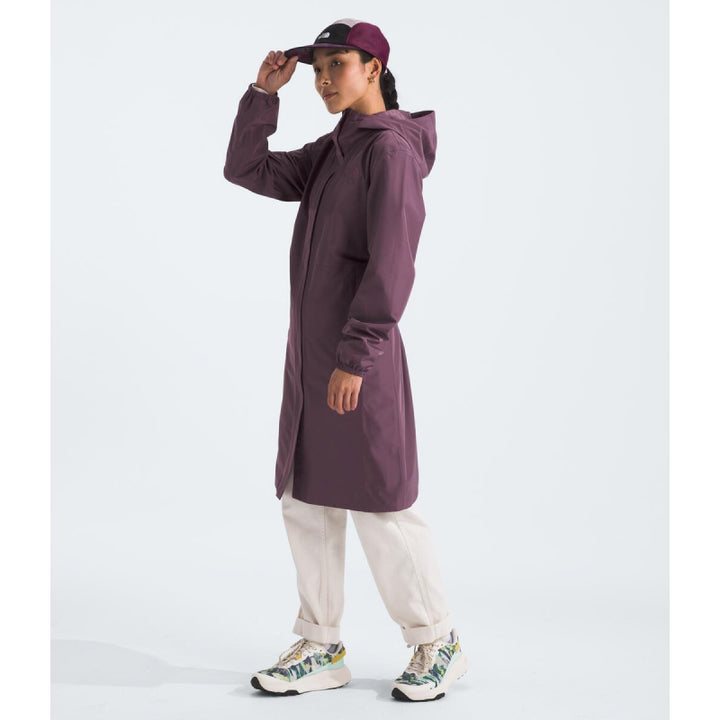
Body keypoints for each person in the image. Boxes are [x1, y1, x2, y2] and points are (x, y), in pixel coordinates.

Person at [223, 18, 469, 702]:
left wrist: (355, 356)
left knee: (381, 505)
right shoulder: (336, 148)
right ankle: (321, 645)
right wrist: (262, 96)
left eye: (338, 64)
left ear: (373, 68)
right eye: (318, 69)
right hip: (311, 359)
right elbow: (247, 169)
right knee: (305, 499)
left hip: (359, 360)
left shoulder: (388, 151)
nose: (324, 79)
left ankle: (437, 641)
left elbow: (393, 264)